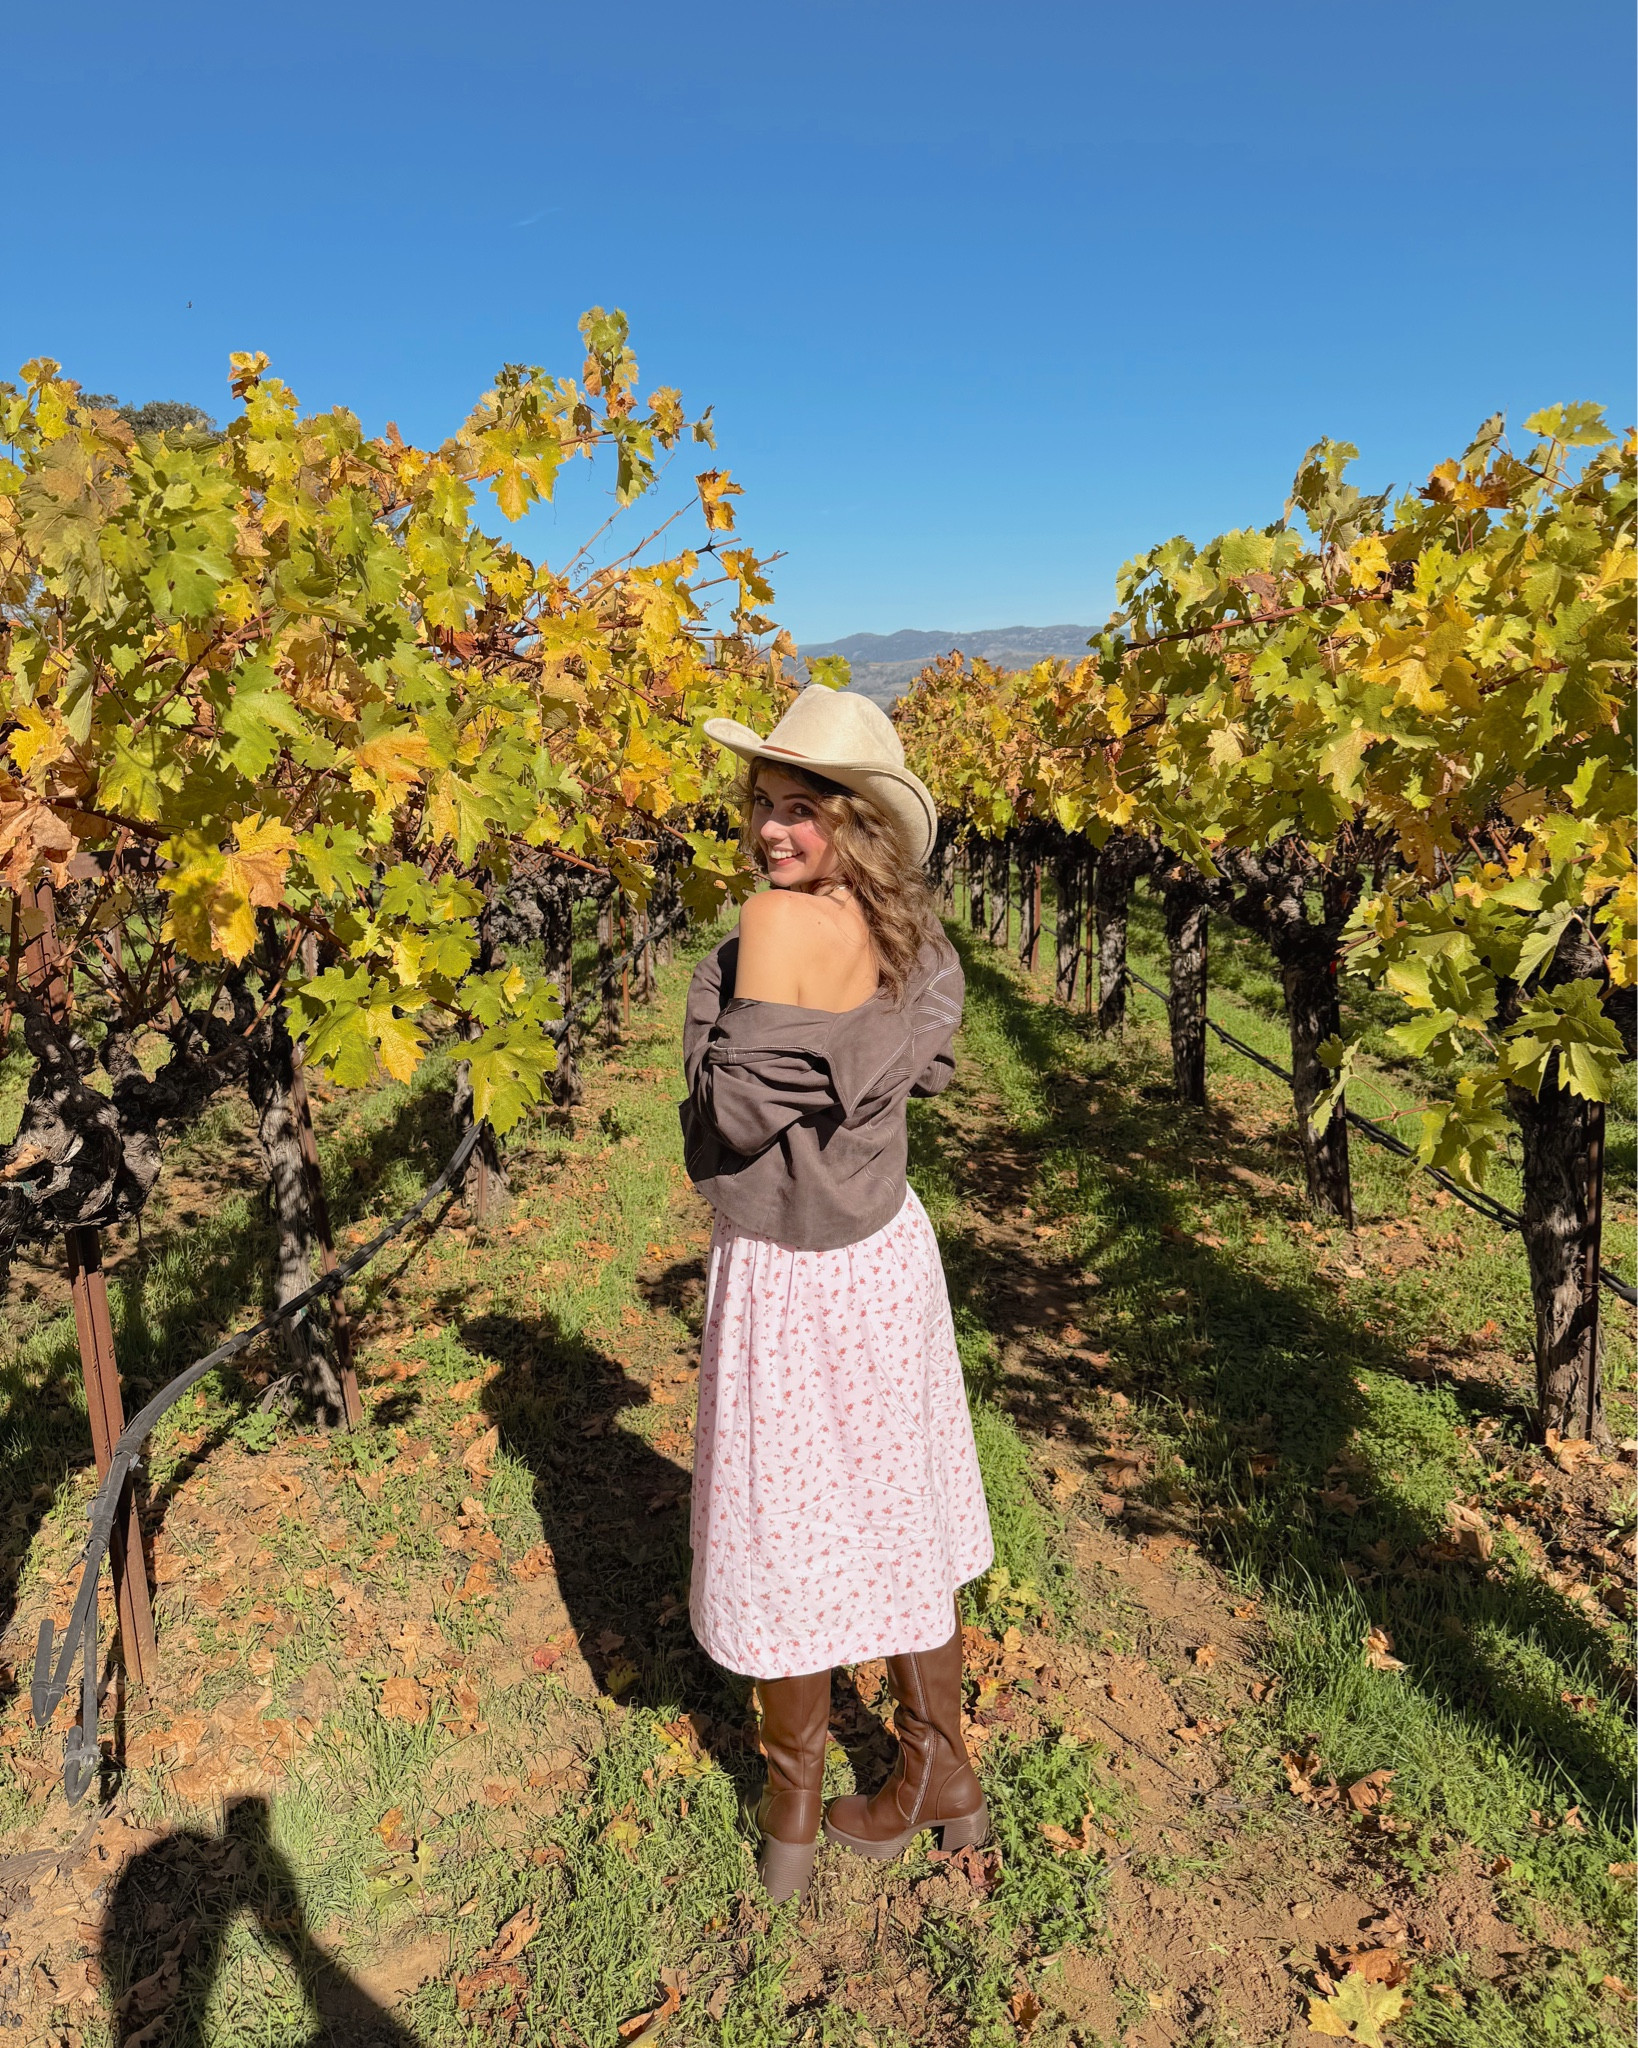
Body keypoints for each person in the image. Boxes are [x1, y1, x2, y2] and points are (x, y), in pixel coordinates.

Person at [679, 684, 995, 1904]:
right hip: (886, 1258)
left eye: (799, 808)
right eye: (761, 803)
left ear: (853, 820)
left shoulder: (768, 927)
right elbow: (914, 1058)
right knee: (897, 1503)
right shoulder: (914, 941)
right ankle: (941, 1773)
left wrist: (741, 998)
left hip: (791, 1273)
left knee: (781, 1521)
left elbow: (727, 1118)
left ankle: (793, 1813)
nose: (770, 829)